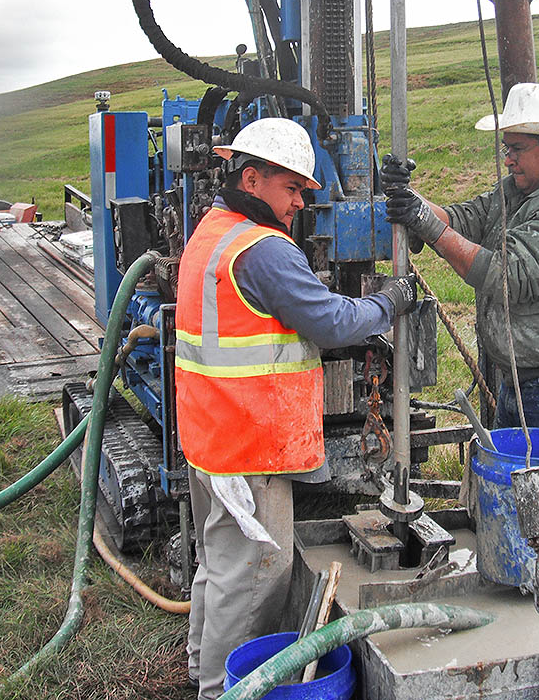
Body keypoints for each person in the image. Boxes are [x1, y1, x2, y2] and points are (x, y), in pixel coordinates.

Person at [175, 117, 416, 699]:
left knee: (216, 563)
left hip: (210, 438)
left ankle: (200, 669)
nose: (298, 205)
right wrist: (390, 301)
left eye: (306, 193)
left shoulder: (213, 229)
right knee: (256, 575)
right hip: (249, 444)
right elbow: (331, 321)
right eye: (291, 190)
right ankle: (222, 692)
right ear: (252, 178)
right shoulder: (261, 251)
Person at [383, 83, 539, 612]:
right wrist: (410, 201)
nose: (506, 157)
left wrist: (423, 224)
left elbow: (505, 277)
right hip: (519, 374)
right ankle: (536, 615)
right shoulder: (520, 191)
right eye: (506, 146)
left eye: (517, 147)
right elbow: (462, 222)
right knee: (522, 509)